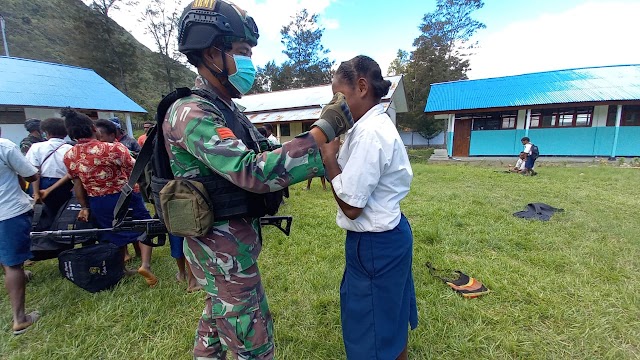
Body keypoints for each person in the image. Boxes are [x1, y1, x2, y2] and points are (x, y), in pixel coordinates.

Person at [165, 1, 351, 358]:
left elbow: (268, 151)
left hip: (227, 249)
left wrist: (316, 141)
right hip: (220, 252)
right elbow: (252, 171)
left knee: (216, 326)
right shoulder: (191, 112)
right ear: (210, 53)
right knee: (252, 344)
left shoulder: (226, 108)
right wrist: (321, 133)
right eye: (241, 52)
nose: (249, 62)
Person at [319, 55, 418, 360]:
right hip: (391, 235)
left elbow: (351, 206)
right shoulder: (370, 125)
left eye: (339, 96)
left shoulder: (370, 132)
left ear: (361, 87)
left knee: (370, 325)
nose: (334, 104)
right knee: (391, 314)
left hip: (375, 244)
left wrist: (328, 156)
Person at [61, 109, 158, 287]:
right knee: (144, 226)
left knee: (111, 232)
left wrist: (85, 206)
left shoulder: (69, 155)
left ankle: (121, 268)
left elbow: (77, 184)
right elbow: (134, 168)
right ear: (93, 128)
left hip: (97, 200)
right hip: (125, 195)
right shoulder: (112, 148)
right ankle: (145, 265)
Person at [0, 137, 40, 335]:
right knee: (14, 263)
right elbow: (32, 175)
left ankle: (20, 275)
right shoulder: (4, 146)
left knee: (5, 256)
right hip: (7, 212)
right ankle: (20, 319)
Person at [25, 118, 73, 215]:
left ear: (46, 132)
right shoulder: (71, 149)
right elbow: (70, 173)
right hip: (63, 186)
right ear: (66, 133)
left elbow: (35, 171)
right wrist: (49, 190)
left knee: (41, 216)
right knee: (61, 215)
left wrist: (36, 193)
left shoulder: (36, 147)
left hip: (40, 184)